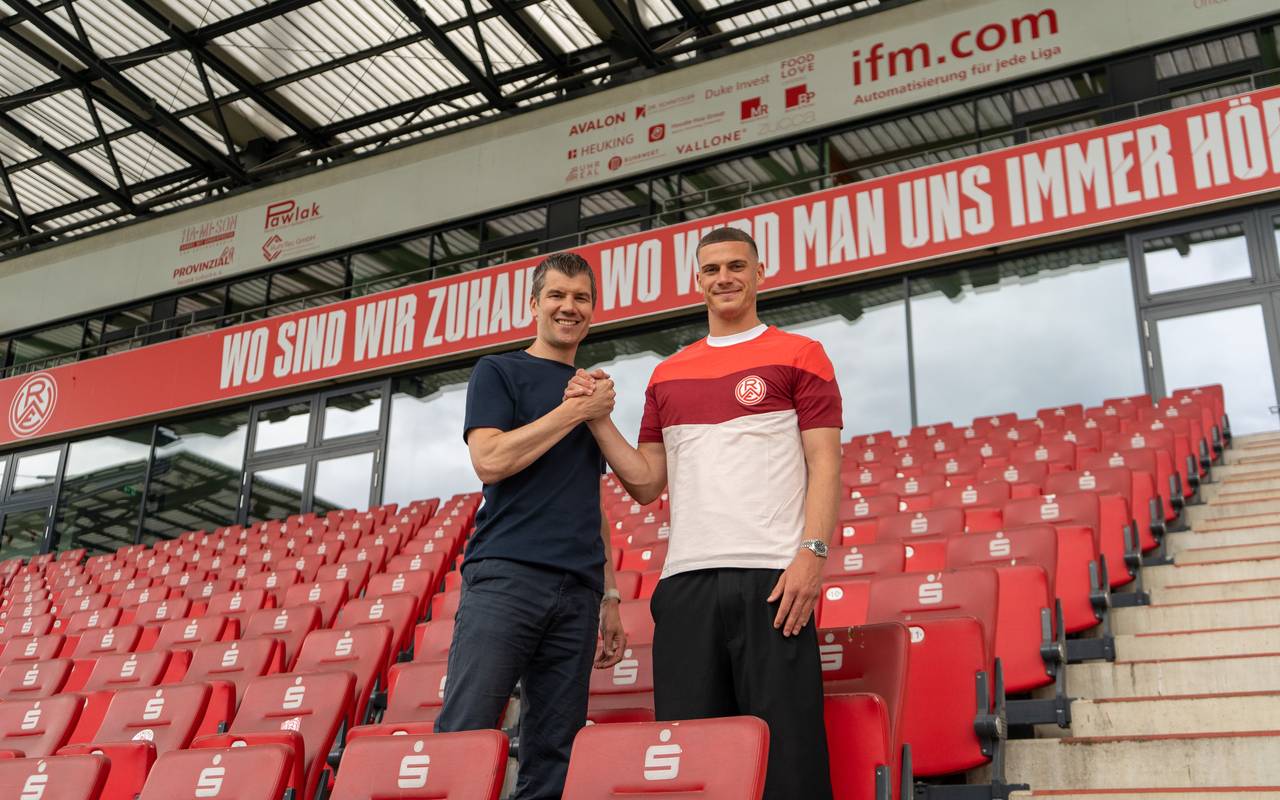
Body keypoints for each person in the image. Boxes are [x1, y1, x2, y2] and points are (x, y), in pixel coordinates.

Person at [566, 227, 840, 800]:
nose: (725, 278)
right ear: (698, 281)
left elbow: (824, 462)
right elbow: (646, 482)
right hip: (685, 585)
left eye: (736, 266)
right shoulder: (667, 374)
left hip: (773, 579)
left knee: (788, 760)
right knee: (694, 760)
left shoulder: (802, 354)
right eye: (712, 269)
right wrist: (596, 417)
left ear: (759, 274)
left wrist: (812, 554)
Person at [435, 252, 628, 800]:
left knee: (555, 754)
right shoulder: (499, 371)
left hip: (578, 591)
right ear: (534, 304)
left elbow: (588, 497)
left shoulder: (590, 392)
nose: (569, 307)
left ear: (593, 309)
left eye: (581, 297)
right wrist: (574, 412)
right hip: (507, 577)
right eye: (557, 295)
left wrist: (611, 595)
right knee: (467, 732)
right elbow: (490, 460)